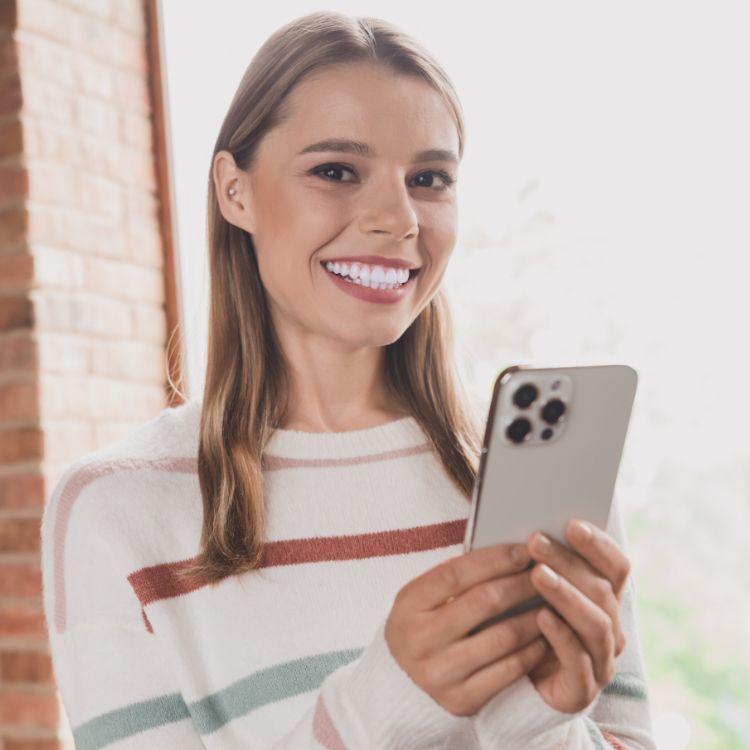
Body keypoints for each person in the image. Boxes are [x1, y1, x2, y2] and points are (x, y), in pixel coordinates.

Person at [40, 10, 657, 749]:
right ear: (234, 191)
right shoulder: (117, 512)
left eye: (429, 179)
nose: (398, 220)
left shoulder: (536, 490)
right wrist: (384, 703)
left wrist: (534, 724)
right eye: (336, 170)